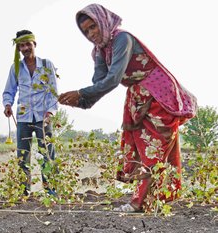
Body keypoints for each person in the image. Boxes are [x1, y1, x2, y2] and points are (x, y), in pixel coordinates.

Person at [59, 4, 197, 213]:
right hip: (137, 95)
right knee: (141, 146)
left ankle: (137, 202)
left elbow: (114, 79)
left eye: (93, 27)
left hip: (158, 92)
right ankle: (158, 198)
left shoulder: (122, 38)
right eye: (86, 31)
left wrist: (81, 92)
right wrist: (79, 101)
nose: (91, 34)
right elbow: (100, 83)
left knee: (154, 147)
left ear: (103, 21)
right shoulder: (99, 51)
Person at [3, 30, 58, 196]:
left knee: (47, 154)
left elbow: (53, 92)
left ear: (35, 44)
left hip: (44, 117)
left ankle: (51, 191)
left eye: (28, 44)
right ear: (19, 48)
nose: (26, 48)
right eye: (22, 45)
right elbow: (9, 91)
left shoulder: (47, 65)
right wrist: (7, 104)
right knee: (23, 156)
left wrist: (50, 112)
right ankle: (23, 192)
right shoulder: (16, 67)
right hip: (23, 117)